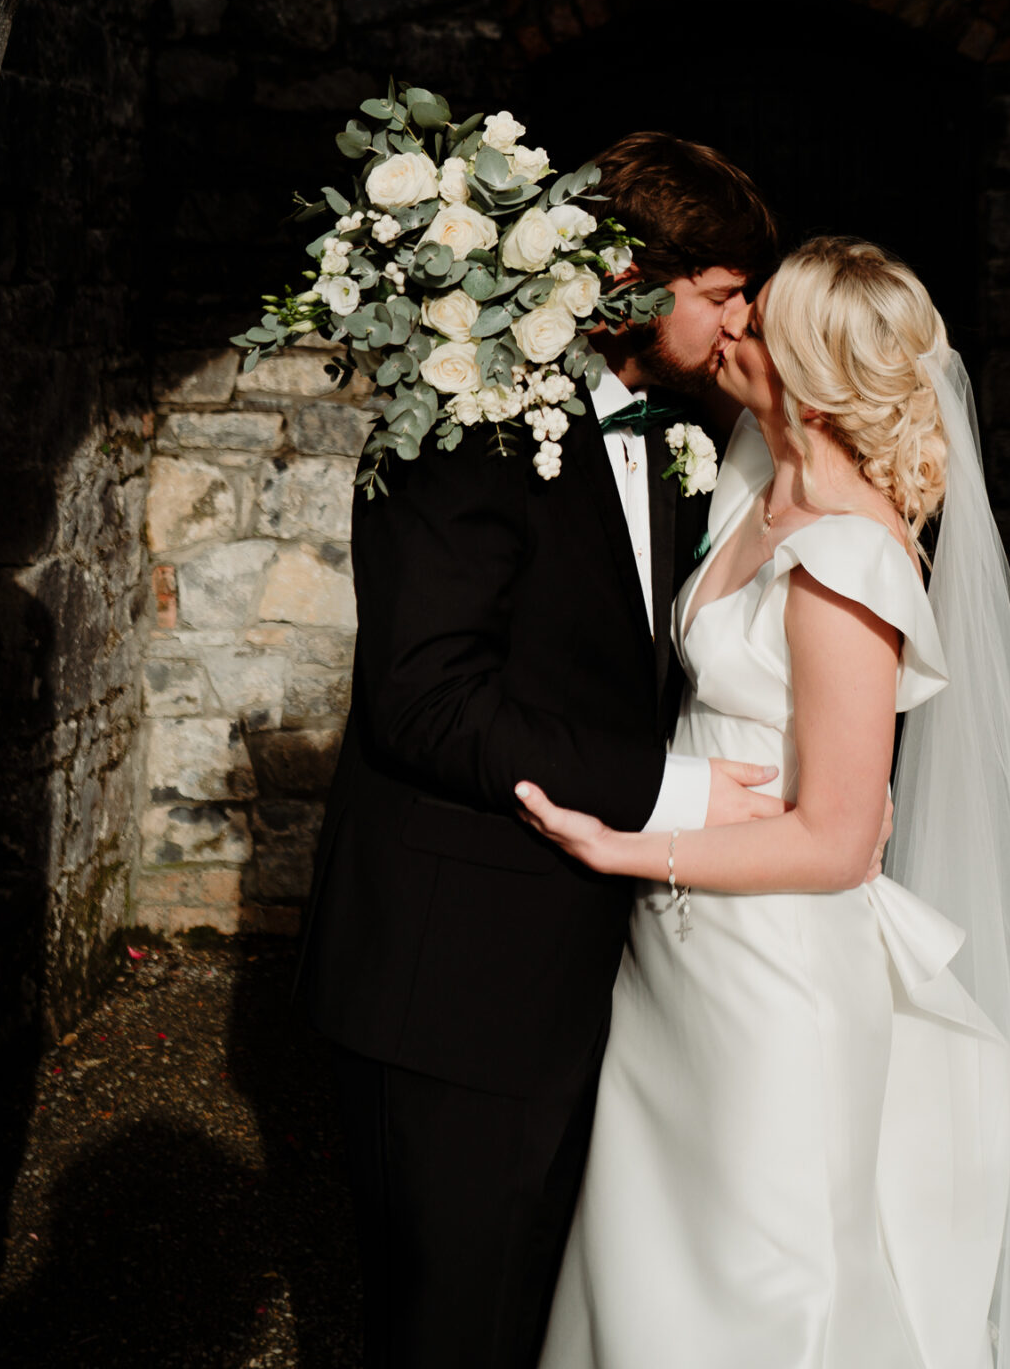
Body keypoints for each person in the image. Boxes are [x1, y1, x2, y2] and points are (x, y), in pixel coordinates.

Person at [521, 237, 1010, 1369]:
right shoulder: (752, 470)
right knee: (651, 1258)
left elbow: (842, 840)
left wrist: (621, 850)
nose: (736, 321)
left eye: (762, 319)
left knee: (769, 1278)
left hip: (774, 973)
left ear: (811, 372)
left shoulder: (849, 559)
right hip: (683, 958)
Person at [298, 131, 783, 1369]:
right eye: (723, 297)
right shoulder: (462, 422)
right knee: (451, 1320)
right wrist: (676, 790)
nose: (738, 330)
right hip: (454, 971)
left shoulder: (678, 439)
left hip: (593, 962)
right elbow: (425, 700)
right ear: (632, 283)